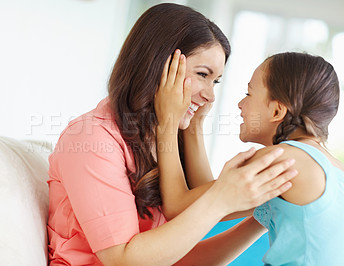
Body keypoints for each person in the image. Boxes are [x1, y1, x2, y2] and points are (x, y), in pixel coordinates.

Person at [46, 3, 296, 265]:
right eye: (202, 74)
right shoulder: (92, 139)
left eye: (216, 81)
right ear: (156, 67)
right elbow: (124, 260)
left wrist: (261, 219)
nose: (210, 95)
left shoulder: (164, 138)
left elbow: (174, 256)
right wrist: (221, 199)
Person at [157, 51, 343, 265]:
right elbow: (208, 197)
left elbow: (179, 205)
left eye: (248, 94)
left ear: (276, 111)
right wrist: (195, 123)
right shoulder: (329, 168)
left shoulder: (283, 160)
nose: (240, 105)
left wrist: (168, 121)